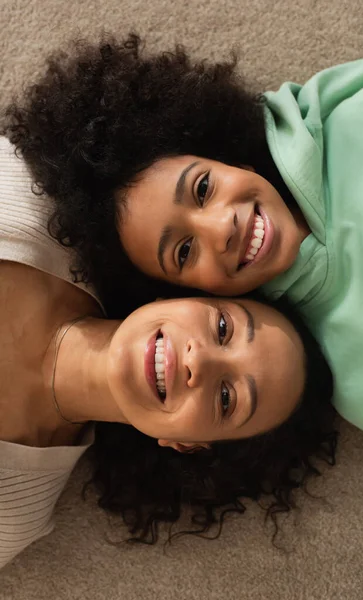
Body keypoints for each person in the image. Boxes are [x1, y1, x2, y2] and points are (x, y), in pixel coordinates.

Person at [5, 33, 363, 453]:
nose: (221, 228)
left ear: (228, 157)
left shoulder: (333, 111)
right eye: (184, 252)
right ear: (189, 293)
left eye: (203, 187)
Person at [0, 138, 336, 568]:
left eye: (227, 399)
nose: (201, 361)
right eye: (222, 327)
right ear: (179, 297)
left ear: (187, 444)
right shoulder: (22, 200)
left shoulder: (14, 513)